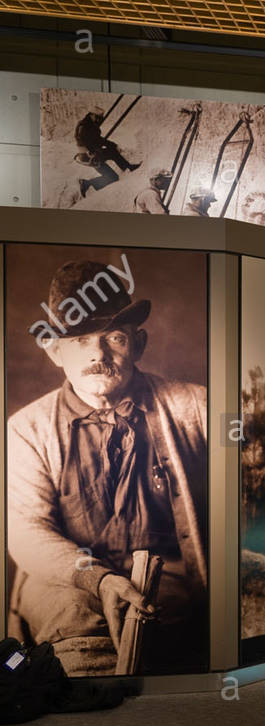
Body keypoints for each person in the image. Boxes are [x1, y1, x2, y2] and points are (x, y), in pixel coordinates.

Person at [7, 260, 208, 676]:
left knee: (160, 642)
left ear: (137, 342)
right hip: (64, 580)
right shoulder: (25, 429)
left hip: (165, 577)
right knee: (81, 652)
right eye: (79, 340)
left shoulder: (198, 409)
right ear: (54, 350)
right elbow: (25, 534)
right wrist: (97, 579)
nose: (97, 355)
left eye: (112, 338)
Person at [74, 109, 140, 197]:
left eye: (99, 118)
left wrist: (112, 145)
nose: (98, 120)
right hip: (90, 156)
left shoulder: (88, 124)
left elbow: (98, 139)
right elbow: (85, 140)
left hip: (92, 154)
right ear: (91, 115)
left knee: (112, 153)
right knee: (113, 177)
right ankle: (87, 183)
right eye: (97, 117)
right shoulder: (84, 127)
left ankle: (127, 167)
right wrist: (92, 151)